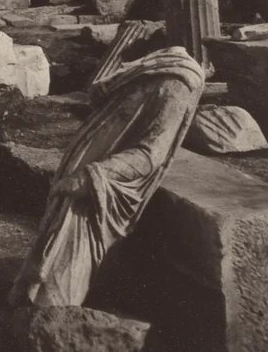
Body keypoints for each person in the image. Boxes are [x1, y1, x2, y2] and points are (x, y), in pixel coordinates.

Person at [10, 46, 206, 308]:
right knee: (49, 253)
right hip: (82, 174)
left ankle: (53, 321)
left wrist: (92, 176)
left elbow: (150, 154)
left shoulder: (176, 83)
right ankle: (34, 308)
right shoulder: (145, 68)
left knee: (64, 270)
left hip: (98, 187)